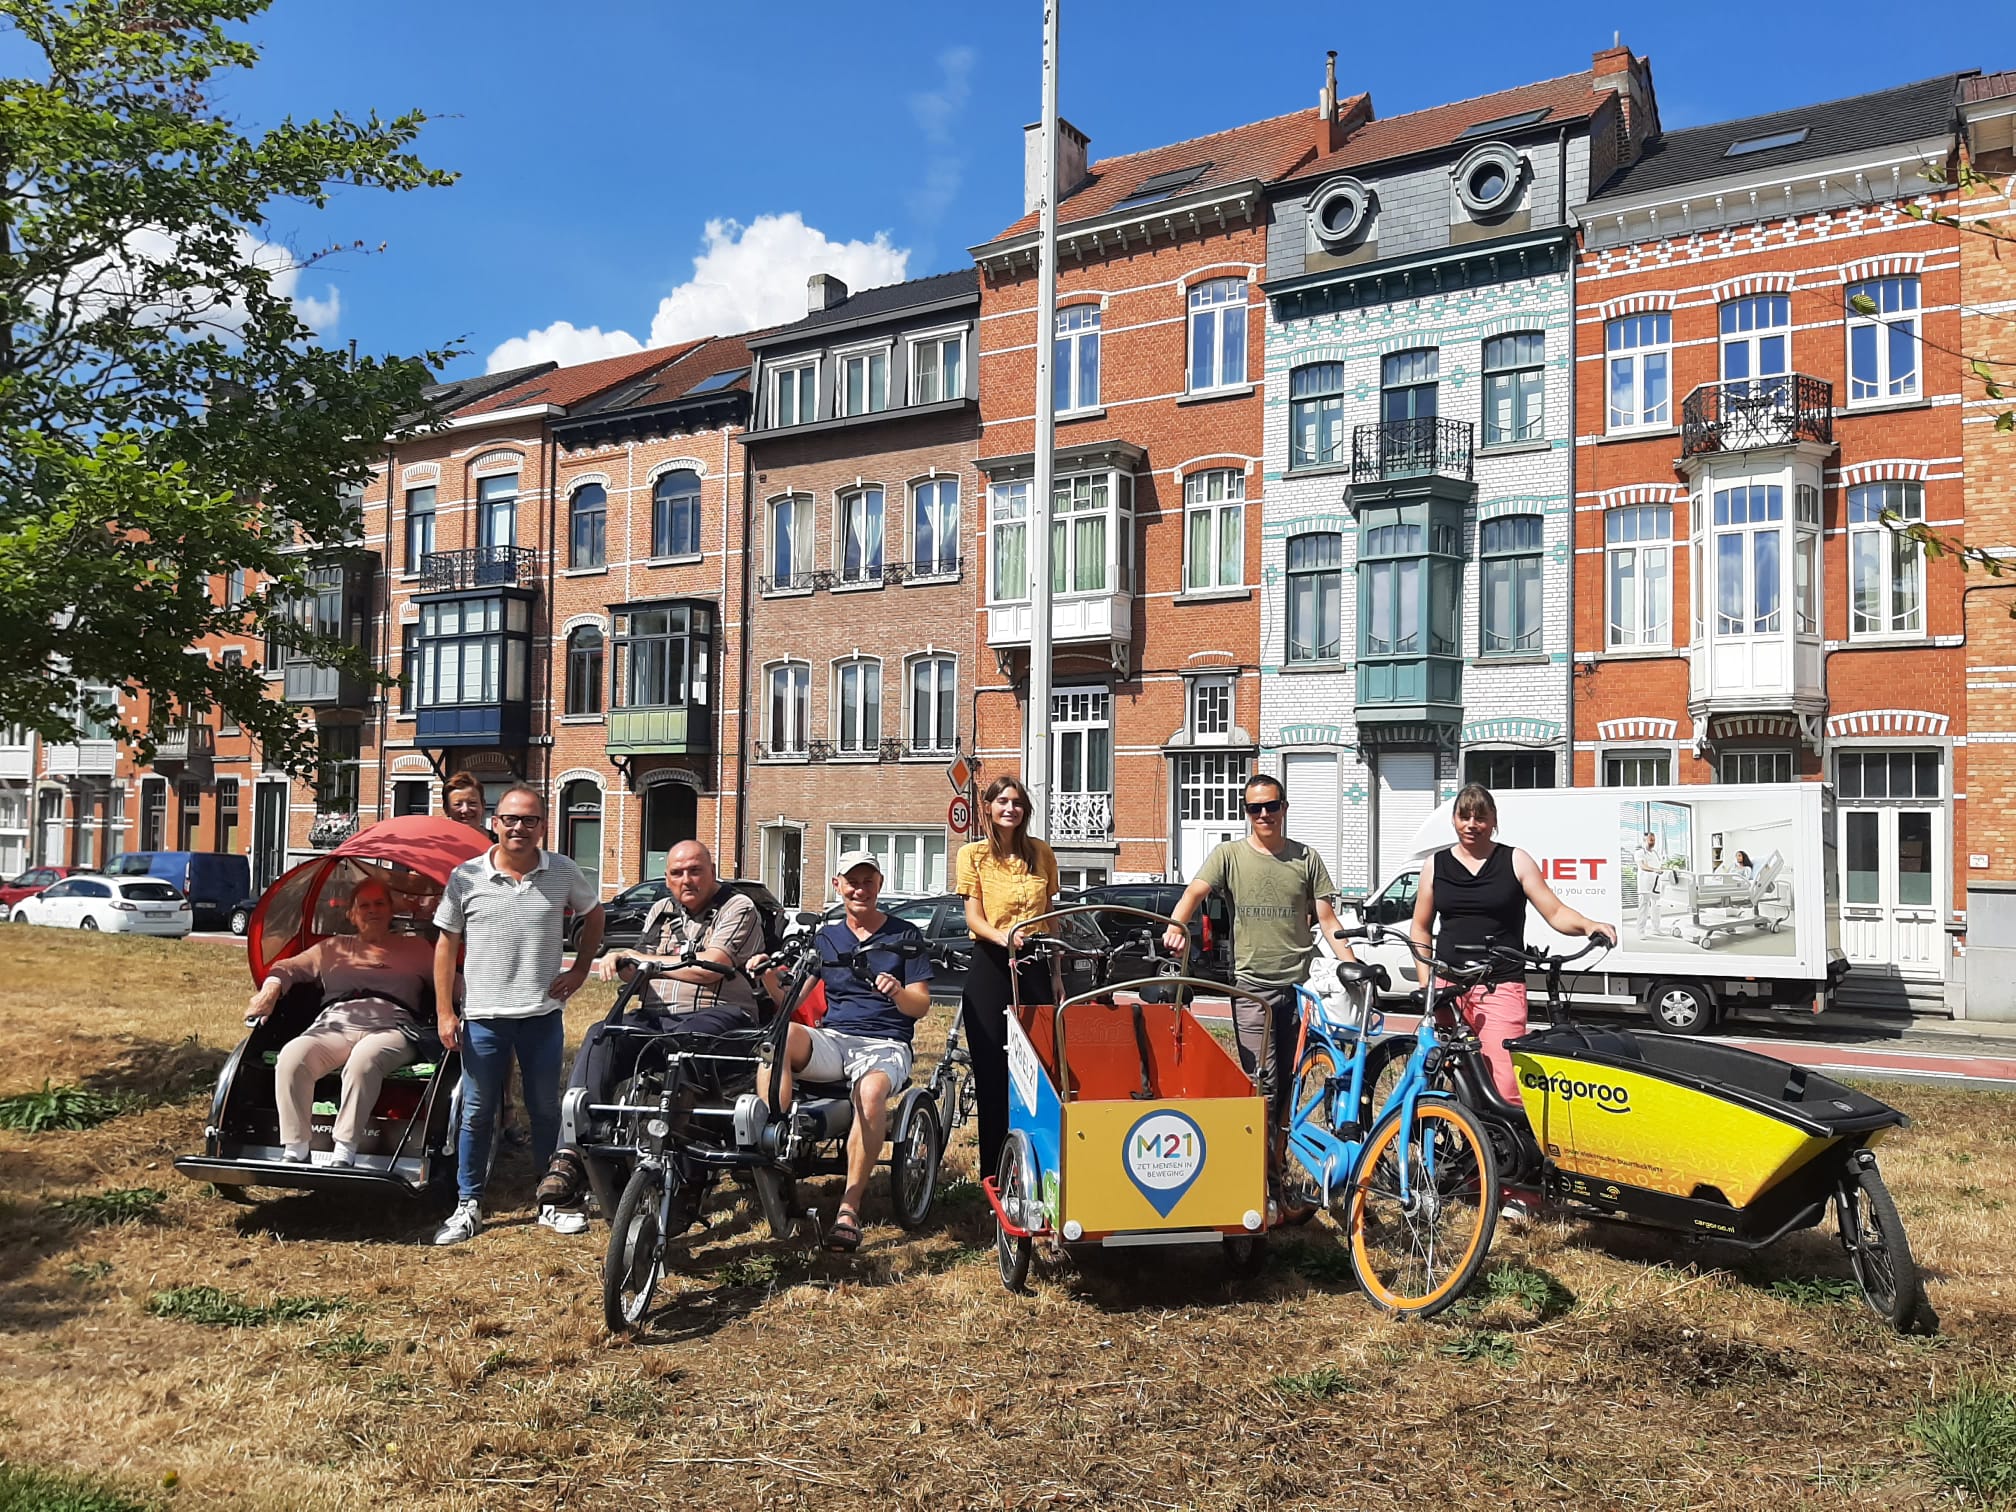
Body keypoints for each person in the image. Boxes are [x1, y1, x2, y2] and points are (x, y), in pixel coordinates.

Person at [535, 840, 765, 1226]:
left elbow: (712, 967)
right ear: (667, 877)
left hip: (721, 1015)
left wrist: (643, 960)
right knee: (600, 1034)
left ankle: (680, 1170)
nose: (686, 880)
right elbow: (637, 968)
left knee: (685, 1045)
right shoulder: (660, 910)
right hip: (657, 1016)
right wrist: (620, 962)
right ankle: (571, 1154)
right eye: (676, 873)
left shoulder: (738, 907)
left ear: (712, 870)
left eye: (695, 870)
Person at [430, 784, 605, 1245]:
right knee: (476, 1111)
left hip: (540, 1014)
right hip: (484, 1016)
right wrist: (445, 1011)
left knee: (546, 1109)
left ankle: (549, 1199)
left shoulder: (563, 871)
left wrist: (581, 968)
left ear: (543, 826)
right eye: (510, 819)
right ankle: (468, 1204)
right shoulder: (465, 876)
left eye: (529, 820)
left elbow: (595, 914)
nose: (519, 828)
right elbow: (446, 944)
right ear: (495, 822)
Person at [1163, 773, 1353, 1140]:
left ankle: (1279, 1161)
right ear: (1247, 812)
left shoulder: (1306, 858)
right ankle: (1258, 1170)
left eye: (1271, 806)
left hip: (1300, 987)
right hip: (1252, 988)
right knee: (1261, 1082)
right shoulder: (1229, 855)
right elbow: (1194, 893)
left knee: (1291, 1081)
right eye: (1255, 808)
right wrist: (1175, 926)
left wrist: (1353, 965)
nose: (1264, 814)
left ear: (1284, 808)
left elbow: (1328, 919)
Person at [761, 850, 932, 1252]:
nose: (860, 889)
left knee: (870, 1094)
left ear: (880, 885)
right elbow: (791, 999)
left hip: (885, 1042)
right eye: (851, 881)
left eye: (867, 881)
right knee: (777, 1039)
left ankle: (849, 1208)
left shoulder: (904, 935)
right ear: (837, 886)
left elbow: (921, 1005)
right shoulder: (826, 937)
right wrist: (768, 977)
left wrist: (897, 992)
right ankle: (772, 1142)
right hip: (834, 1039)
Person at [1411, 782, 1616, 1109]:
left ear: (1493, 821)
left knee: (1503, 1086)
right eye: (1464, 817)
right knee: (1446, 1076)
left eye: (1480, 817)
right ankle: (1460, 1150)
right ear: (1453, 820)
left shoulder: (1515, 860)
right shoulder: (1436, 865)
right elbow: (1420, 928)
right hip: (1449, 988)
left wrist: (1589, 925)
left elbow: (1556, 911)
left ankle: (1506, 1153)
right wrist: (1427, 983)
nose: (1471, 825)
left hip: (1499, 985)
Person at [248, 878, 441, 1167]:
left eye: (380, 904)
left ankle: (345, 1148)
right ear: (351, 914)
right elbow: (289, 968)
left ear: (391, 911)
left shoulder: (417, 949)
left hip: (392, 1028)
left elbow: (452, 983)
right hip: (335, 1024)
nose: (372, 911)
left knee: (365, 1060)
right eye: (364, 905)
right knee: (292, 1056)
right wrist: (270, 990)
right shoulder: (332, 948)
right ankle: (296, 1147)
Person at [954, 775, 1058, 1186]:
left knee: (1039, 1067)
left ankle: (1039, 1166)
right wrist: (1005, 939)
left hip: (1035, 960)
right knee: (993, 1071)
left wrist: (1056, 975)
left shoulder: (1041, 854)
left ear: (1025, 809)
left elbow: (1050, 917)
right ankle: (995, 1175)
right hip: (993, 961)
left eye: (1016, 802)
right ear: (989, 809)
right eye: (1001, 802)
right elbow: (973, 917)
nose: (1009, 809)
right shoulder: (973, 855)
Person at [1633, 830, 1666, 939]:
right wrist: (1655, 870)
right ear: (1644, 840)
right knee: (1644, 908)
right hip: (1645, 884)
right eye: (1651, 840)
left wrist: (1661, 870)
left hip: (1656, 884)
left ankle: (1656, 929)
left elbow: (1658, 866)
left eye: (1654, 840)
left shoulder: (1655, 853)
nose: (1653, 842)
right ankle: (1640, 931)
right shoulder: (1639, 852)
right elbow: (1642, 866)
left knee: (1656, 907)